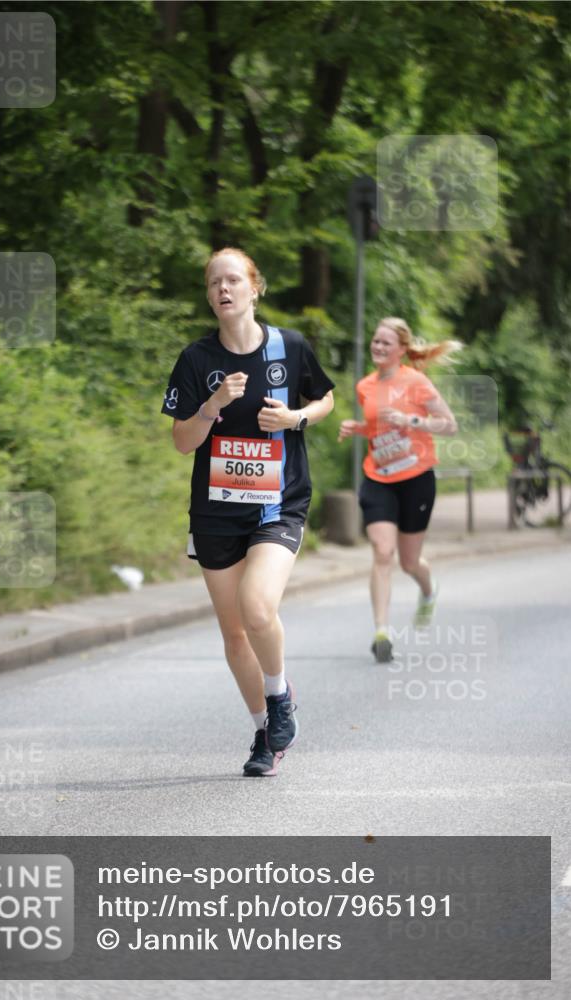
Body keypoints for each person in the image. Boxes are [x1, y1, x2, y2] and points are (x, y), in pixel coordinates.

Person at [162, 248, 334, 776]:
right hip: (215, 512)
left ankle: (280, 698)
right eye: (214, 282)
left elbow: (326, 399)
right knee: (235, 633)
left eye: (233, 279)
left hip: (278, 504)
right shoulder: (196, 360)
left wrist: (296, 417)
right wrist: (211, 406)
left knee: (257, 607)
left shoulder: (290, 347)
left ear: (255, 287)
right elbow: (182, 442)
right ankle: (265, 732)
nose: (223, 289)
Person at [338, 317, 460, 662]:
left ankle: (428, 588)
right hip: (378, 477)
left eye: (385, 343)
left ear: (402, 350)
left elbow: (450, 425)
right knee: (382, 551)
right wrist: (357, 428)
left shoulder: (417, 383)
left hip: (416, 479)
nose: (378, 347)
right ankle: (381, 632)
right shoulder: (365, 386)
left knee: (408, 562)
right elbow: (378, 429)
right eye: (375, 341)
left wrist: (413, 421)